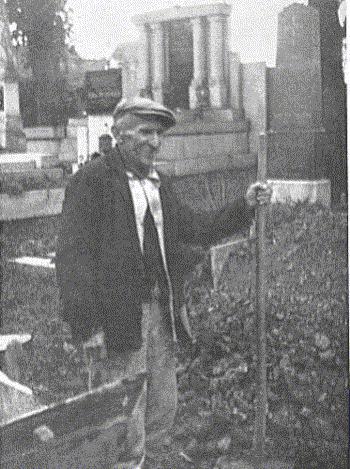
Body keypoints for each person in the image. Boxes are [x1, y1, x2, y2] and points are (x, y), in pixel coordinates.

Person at [56, 97, 272, 469]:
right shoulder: (91, 183)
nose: (154, 142)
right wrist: (87, 326)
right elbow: (71, 259)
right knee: (122, 416)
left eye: (158, 134)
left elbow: (196, 227)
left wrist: (244, 205)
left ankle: (150, 461)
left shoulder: (159, 185)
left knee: (162, 406)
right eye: (145, 132)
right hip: (116, 319)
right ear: (120, 135)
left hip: (160, 312)